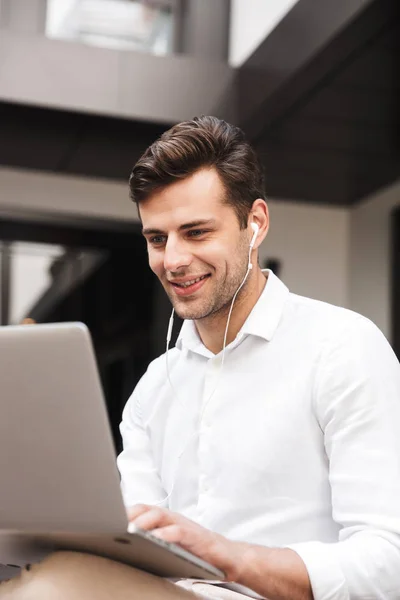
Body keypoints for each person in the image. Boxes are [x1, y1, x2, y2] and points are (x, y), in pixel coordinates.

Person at [2, 116, 400, 600]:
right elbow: (133, 537)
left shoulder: (342, 347)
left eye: (195, 232)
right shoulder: (155, 385)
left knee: (55, 588)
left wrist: (225, 556)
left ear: (255, 224)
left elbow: (388, 562)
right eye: (157, 239)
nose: (172, 260)